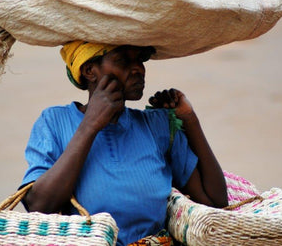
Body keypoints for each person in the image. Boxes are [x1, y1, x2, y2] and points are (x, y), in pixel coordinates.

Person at [20, 41, 228, 245]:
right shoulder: (55, 122)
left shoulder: (157, 125)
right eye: (122, 60)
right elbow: (39, 206)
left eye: (139, 59)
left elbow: (216, 203)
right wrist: (91, 124)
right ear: (89, 71)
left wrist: (190, 121)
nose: (138, 68)